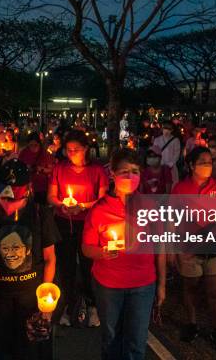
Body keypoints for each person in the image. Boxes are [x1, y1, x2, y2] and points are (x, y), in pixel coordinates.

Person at [83, 149, 166, 360]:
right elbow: (86, 248)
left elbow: (160, 248)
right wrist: (102, 252)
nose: (130, 176)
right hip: (109, 285)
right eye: (124, 171)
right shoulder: (99, 210)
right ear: (112, 173)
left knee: (136, 343)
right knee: (111, 339)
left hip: (143, 284)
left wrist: (162, 284)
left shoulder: (150, 206)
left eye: (135, 171)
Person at [0, 159, 59, 360]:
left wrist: (46, 304)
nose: (9, 205)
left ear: (28, 191)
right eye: (4, 199)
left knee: (31, 349)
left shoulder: (40, 214)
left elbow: (49, 259)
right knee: (0, 348)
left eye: (15, 200)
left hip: (30, 299)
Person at [171, 147, 216, 351]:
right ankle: (192, 323)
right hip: (188, 248)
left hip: (214, 248)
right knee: (190, 288)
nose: (208, 165)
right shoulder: (180, 189)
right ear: (190, 165)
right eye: (202, 162)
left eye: (210, 161)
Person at [48, 129, 108, 327]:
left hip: (88, 224)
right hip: (64, 222)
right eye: (69, 149)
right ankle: (69, 304)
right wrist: (62, 204)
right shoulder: (59, 168)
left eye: (76, 149)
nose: (72, 153)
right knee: (66, 266)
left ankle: (92, 305)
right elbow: (51, 196)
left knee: (88, 265)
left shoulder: (97, 170)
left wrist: (82, 206)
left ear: (86, 149)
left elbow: (103, 198)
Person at [19, 132, 54, 204]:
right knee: (29, 208)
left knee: (41, 207)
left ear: (39, 143)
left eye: (35, 145)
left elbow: (51, 170)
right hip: (27, 185)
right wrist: (26, 168)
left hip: (42, 186)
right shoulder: (24, 152)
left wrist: (40, 169)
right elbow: (19, 167)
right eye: (31, 145)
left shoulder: (44, 154)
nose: (33, 147)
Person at [152, 121, 182, 185]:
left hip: (171, 167)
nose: (167, 130)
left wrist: (170, 164)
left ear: (172, 130)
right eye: (165, 128)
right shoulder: (157, 140)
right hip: (160, 167)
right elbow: (155, 153)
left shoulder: (175, 140)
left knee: (172, 184)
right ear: (162, 128)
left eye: (169, 129)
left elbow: (177, 154)